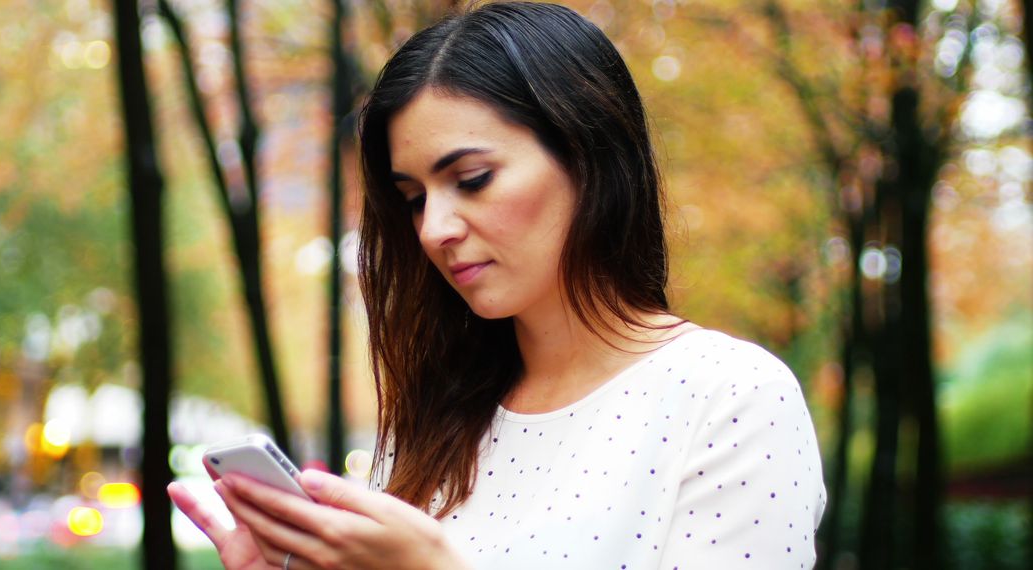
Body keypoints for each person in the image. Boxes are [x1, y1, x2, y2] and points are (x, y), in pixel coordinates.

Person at [168, 2, 828, 568]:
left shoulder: (730, 399)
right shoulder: (437, 416)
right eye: (412, 197)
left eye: (472, 178)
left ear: (587, 153)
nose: (433, 229)